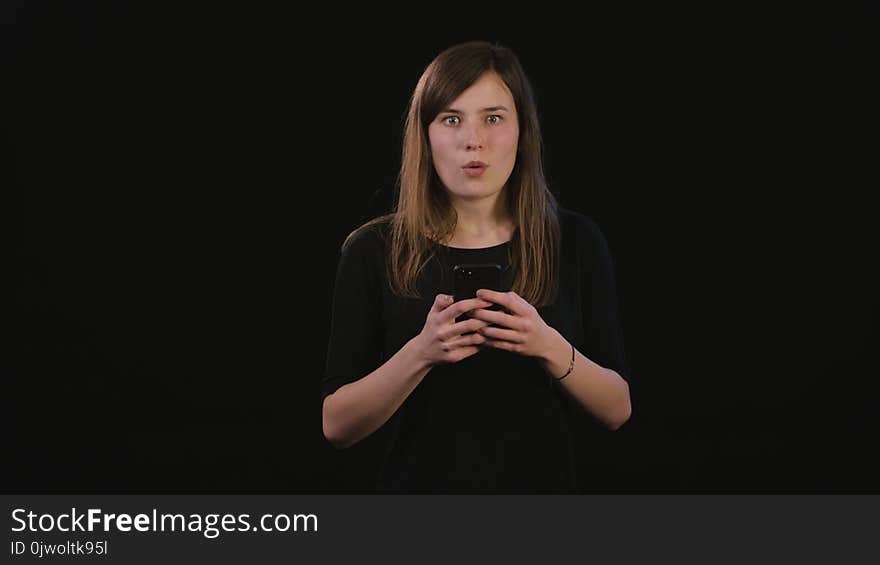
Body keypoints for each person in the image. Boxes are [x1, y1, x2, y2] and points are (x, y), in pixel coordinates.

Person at [321, 40, 631, 493]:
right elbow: (336, 425)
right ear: (425, 136)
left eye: (493, 117)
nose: (474, 140)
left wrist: (547, 345)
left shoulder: (576, 242)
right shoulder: (373, 249)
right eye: (451, 119)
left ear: (522, 131)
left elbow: (617, 409)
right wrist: (421, 352)